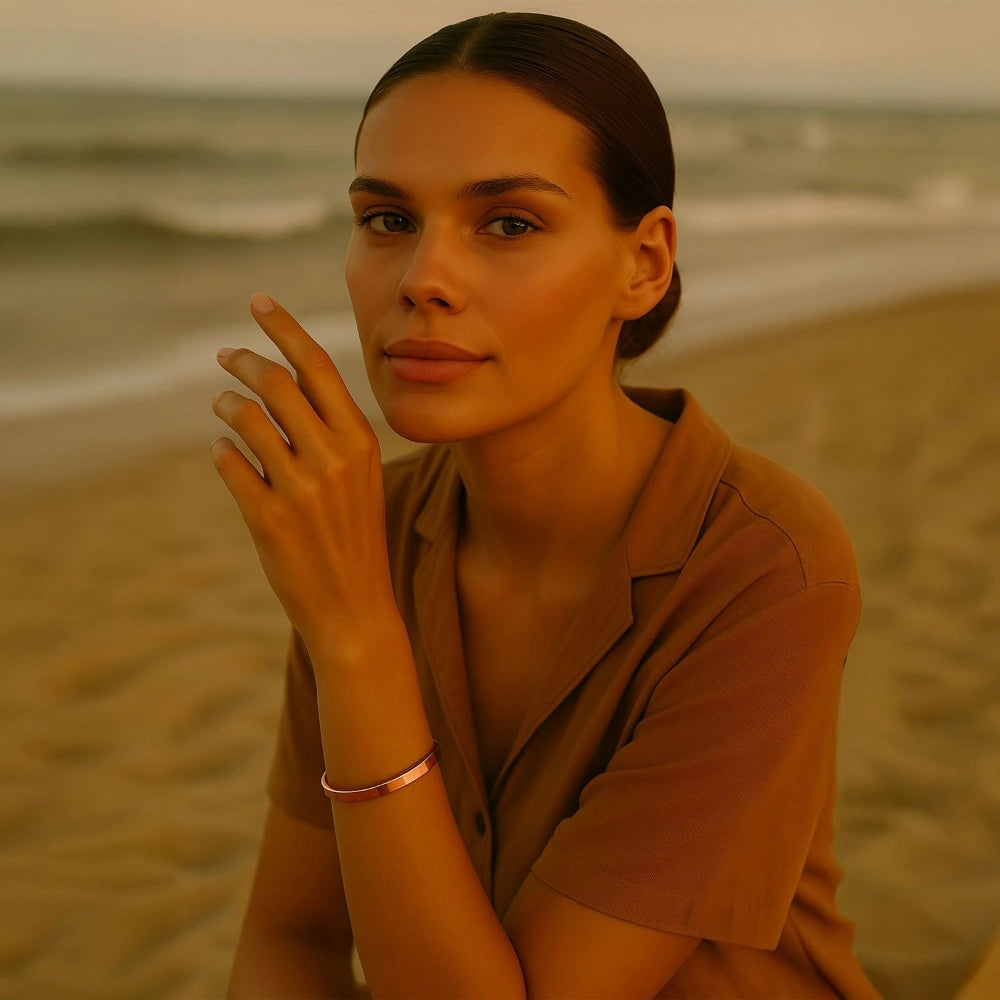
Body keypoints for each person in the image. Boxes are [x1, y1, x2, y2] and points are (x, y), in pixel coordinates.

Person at [213, 12, 879, 998]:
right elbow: (292, 937)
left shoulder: (761, 565)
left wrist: (356, 633)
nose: (422, 279)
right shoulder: (375, 528)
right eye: (387, 219)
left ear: (643, 263)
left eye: (510, 223)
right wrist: (349, 599)